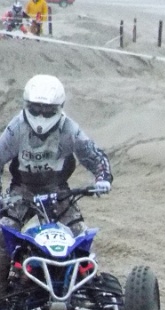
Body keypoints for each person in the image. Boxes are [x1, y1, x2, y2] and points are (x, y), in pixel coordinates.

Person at [0, 74, 113, 293]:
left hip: (57, 190)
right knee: (4, 234)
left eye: (48, 110)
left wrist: (103, 178)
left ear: (59, 108)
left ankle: (85, 291)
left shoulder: (69, 129)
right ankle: (3, 292)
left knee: (80, 238)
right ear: (26, 105)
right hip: (22, 190)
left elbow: (93, 154)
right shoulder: (16, 128)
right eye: (36, 109)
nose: (41, 116)